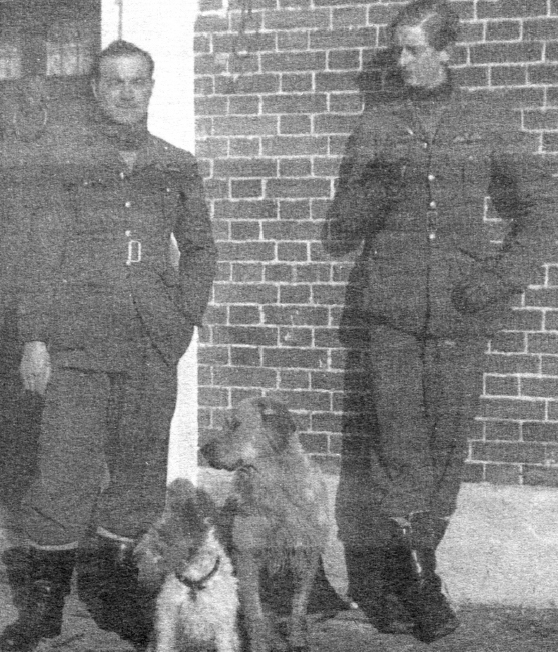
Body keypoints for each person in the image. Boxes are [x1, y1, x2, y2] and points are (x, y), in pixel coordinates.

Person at [323, 0, 554, 644]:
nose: (402, 61)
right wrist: (375, 186)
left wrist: (499, 282)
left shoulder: (487, 120)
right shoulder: (376, 123)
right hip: (391, 312)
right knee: (398, 447)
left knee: (446, 446)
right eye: (397, 50)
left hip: (462, 310)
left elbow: (541, 211)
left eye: (414, 49)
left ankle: (424, 566)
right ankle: (415, 582)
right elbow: (341, 228)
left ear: (447, 52)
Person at [0, 40, 216, 652]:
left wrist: (182, 318)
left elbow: (199, 248)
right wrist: (36, 337)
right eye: (114, 81)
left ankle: (119, 595)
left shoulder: (176, 164)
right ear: (96, 90)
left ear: (152, 88)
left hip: (150, 345)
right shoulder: (62, 161)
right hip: (78, 344)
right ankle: (43, 613)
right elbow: (38, 256)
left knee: (139, 479)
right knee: (61, 478)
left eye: (137, 82)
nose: (126, 92)